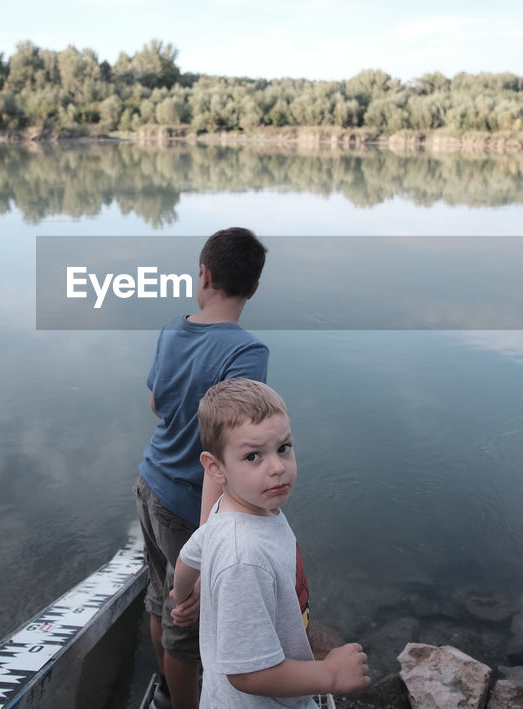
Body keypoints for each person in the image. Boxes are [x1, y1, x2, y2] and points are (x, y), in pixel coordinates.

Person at [171, 379, 369, 708]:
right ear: (216, 468)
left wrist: (184, 593)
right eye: (253, 456)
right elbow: (248, 674)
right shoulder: (244, 558)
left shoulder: (231, 508)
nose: (277, 468)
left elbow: (189, 555)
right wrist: (330, 675)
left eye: (283, 448)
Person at [136, 227, 270, 709]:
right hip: (189, 504)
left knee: (161, 599)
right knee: (186, 629)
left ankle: (167, 696)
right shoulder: (247, 352)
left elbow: (156, 404)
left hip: (149, 483)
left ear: (204, 275)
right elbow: (234, 447)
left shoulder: (173, 328)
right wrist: (213, 533)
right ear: (253, 289)